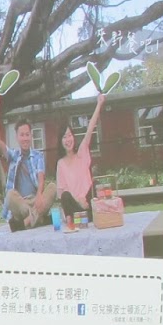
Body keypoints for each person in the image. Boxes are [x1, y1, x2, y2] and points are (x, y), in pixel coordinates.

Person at [0, 91, 53, 230]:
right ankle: (38, 218)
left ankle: (26, 222)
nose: (25, 138)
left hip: (36, 201)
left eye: (27, 135)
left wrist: (40, 195)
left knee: (52, 187)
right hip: (22, 204)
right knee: (10, 195)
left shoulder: (38, 155)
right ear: (17, 137)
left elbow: (41, 177)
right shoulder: (13, 155)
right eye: (22, 135)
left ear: (31, 136)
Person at [55, 90, 106, 226]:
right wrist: (78, 200)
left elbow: (90, 129)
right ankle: (74, 220)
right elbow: (61, 193)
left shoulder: (81, 153)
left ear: (73, 137)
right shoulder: (61, 164)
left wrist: (99, 104)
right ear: (60, 141)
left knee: (96, 185)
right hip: (76, 207)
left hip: (88, 204)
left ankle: (94, 215)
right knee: (65, 196)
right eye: (64, 137)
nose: (68, 139)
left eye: (69, 135)